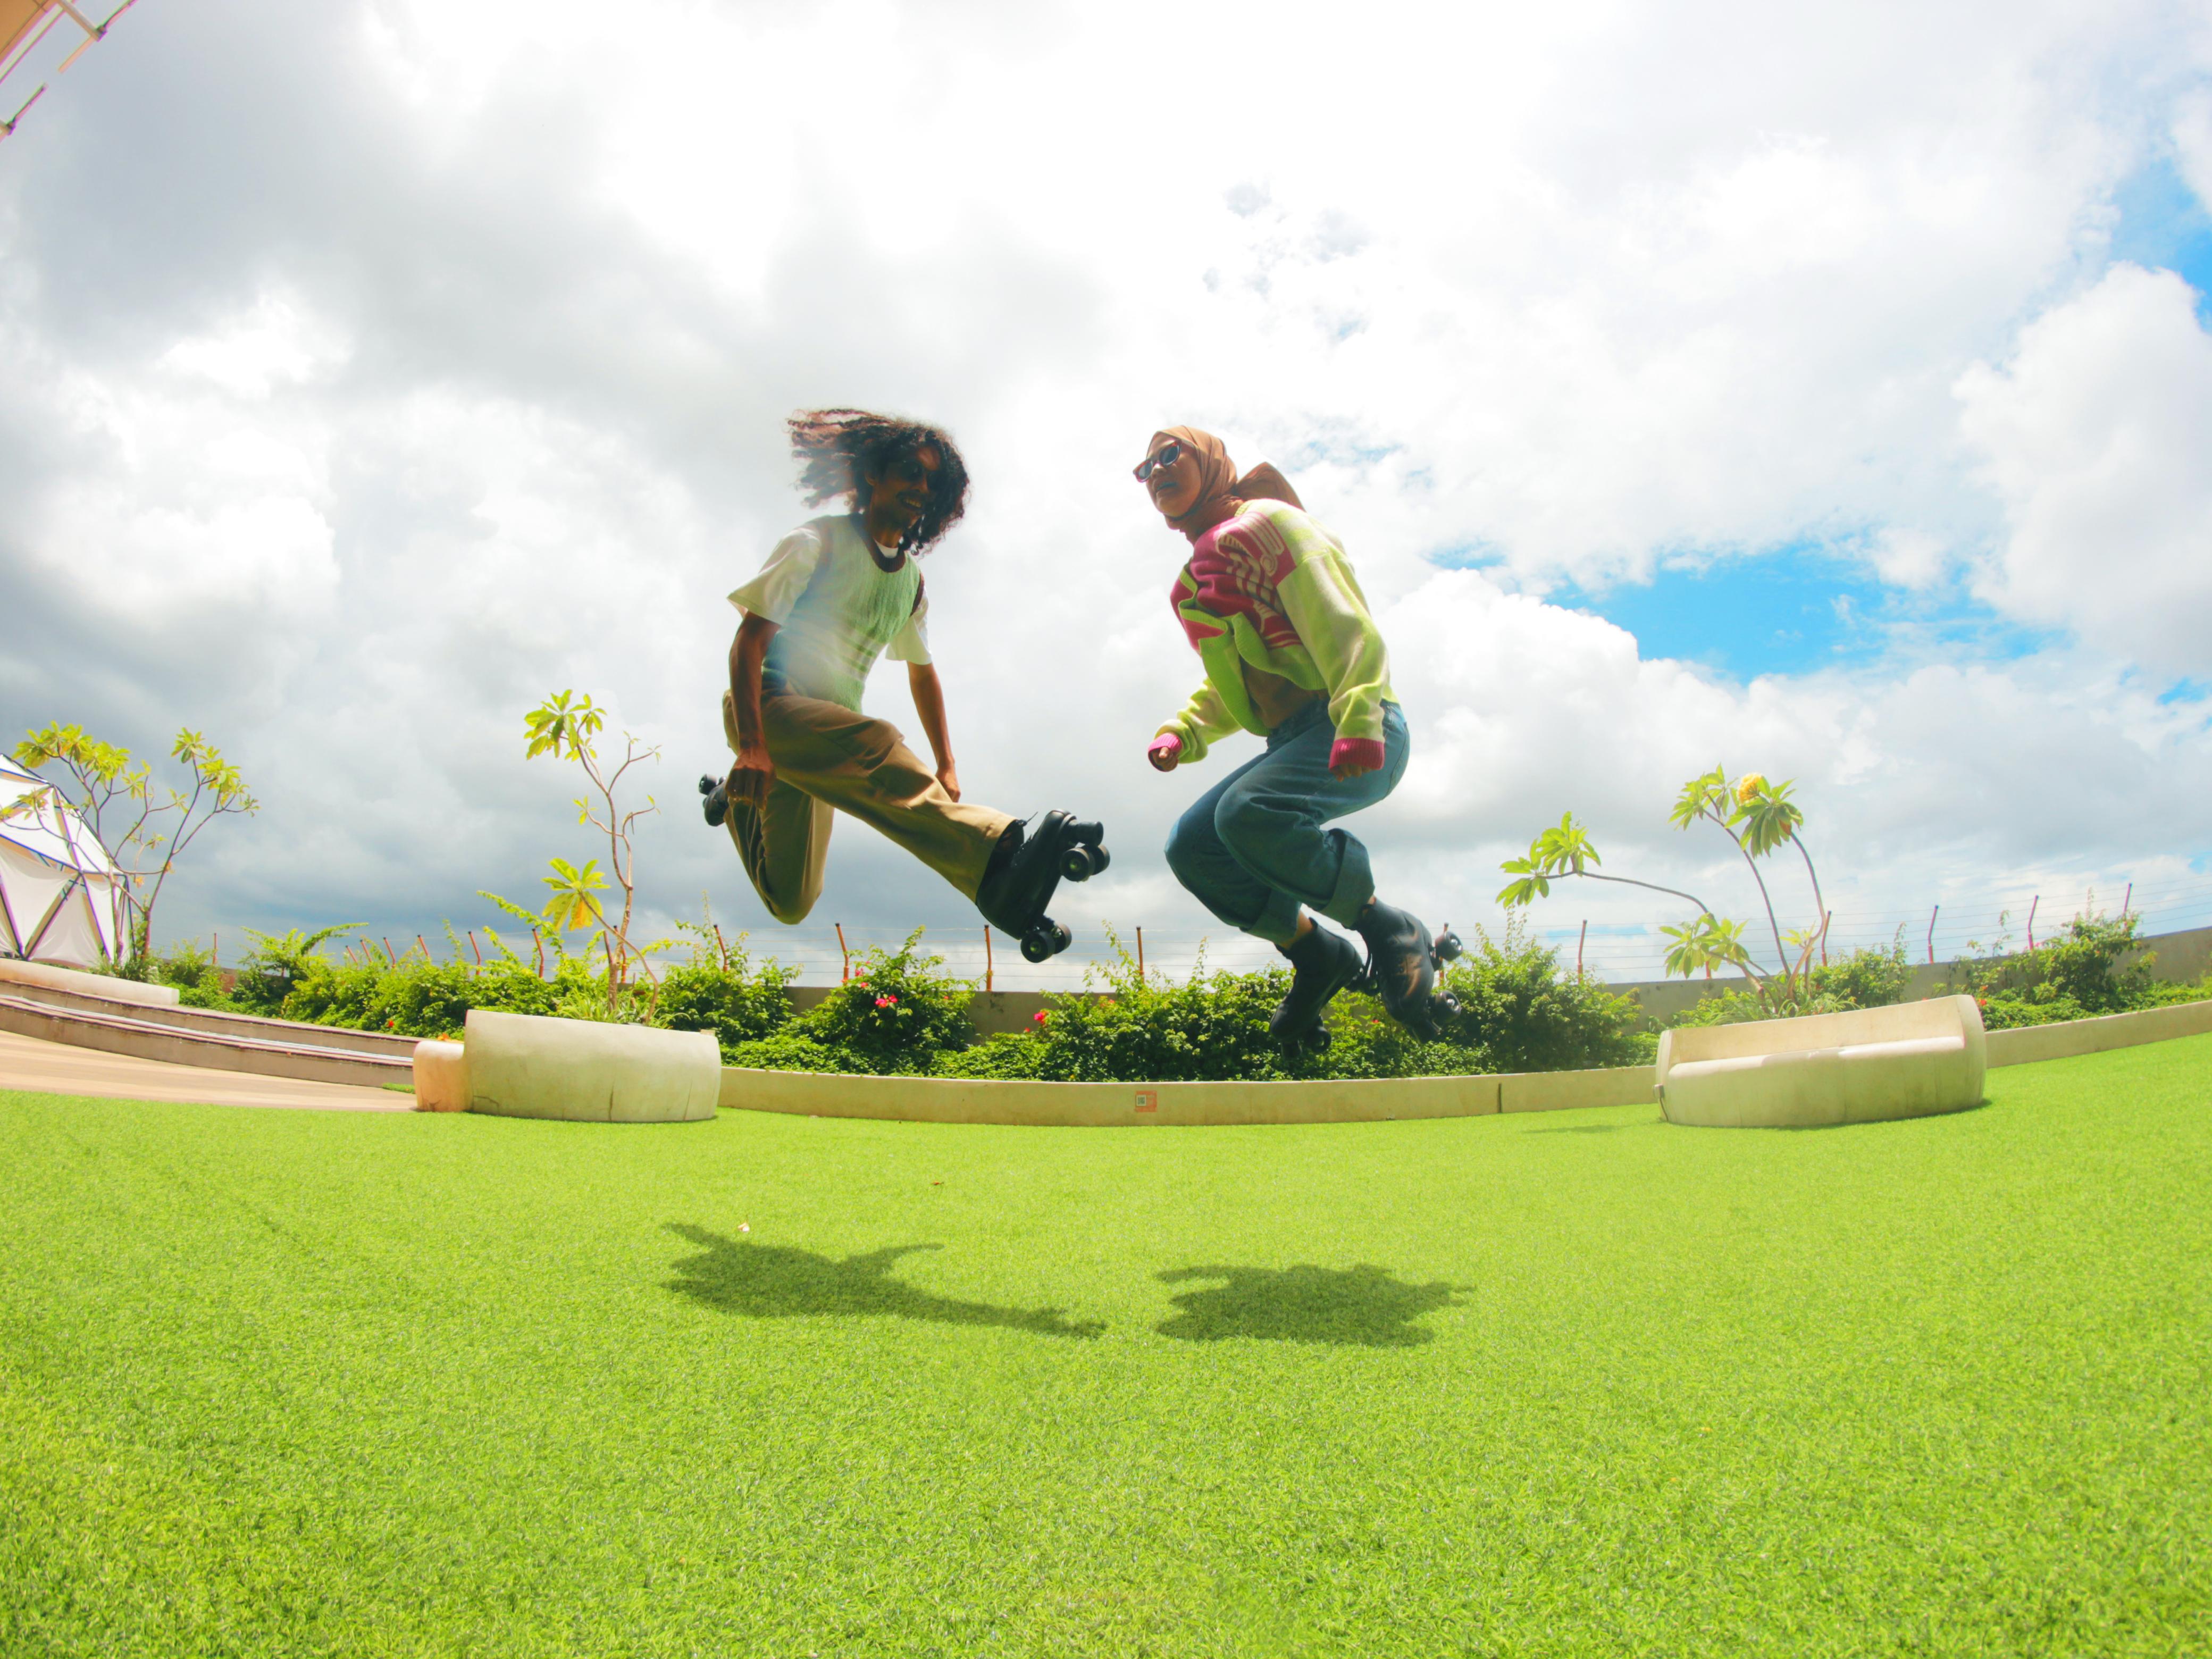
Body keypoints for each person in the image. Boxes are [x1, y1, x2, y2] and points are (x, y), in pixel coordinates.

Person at [701, 409, 1106, 961]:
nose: (920, 488)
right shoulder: (814, 542)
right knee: (873, 742)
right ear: (874, 475)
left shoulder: (911, 583)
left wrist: (947, 765)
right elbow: (748, 641)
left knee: (792, 899)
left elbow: (922, 673)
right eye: (909, 473)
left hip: (819, 746)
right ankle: (998, 850)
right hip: (770, 709)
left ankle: (733, 803)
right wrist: (751, 744)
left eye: (932, 482)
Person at [1138, 425, 1452, 1051]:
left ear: (1209, 461)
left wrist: (1359, 713)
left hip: (1359, 724)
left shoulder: (1268, 526)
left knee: (1247, 812)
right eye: (1143, 468)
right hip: (1290, 739)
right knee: (1193, 845)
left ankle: (1389, 930)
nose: (1156, 472)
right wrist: (1186, 732)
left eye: (1170, 455)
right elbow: (1238, 684)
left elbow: (1342, 622)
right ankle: (1315, 954)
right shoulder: (1194, 582)